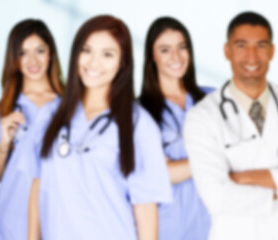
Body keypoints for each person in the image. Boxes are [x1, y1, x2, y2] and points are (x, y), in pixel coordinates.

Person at [184, 11, 278, 239]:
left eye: (261, 45)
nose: (252, 56)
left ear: (272, 51)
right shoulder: (202, 116)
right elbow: (217, 196)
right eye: (241, 45)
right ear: (227, 51)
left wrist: (242, 178)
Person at [28, 15, 172, 240]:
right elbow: (38, 187)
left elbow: (145, 208)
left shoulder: (139, 126)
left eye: (107, 54)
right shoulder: (50, 115)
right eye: (86, 51)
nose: (94, 63)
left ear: (122, 63)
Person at [0, 19, 63, 240]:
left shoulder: (69, 108)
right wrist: (4, 144)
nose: (33, 60)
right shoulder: (3, 110)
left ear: (50, 54)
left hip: (57, 216)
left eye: (39, 50)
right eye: (23, 53)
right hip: (14, 219)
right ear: (14, 60)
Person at [138, 16, 213, 240]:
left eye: (182, 47)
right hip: (168, 230)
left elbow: (240, 154)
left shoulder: (212, 99)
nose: (176, 57)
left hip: (214, 227)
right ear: (152, 55)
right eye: (165, 50)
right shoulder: (139, 112)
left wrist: (178, 168)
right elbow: (155, 174)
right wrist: (213, 158)